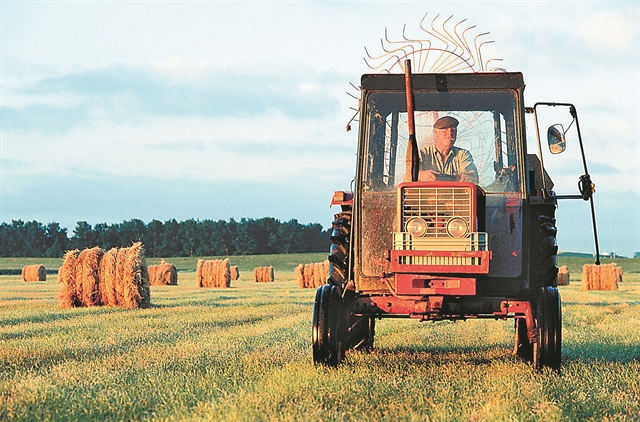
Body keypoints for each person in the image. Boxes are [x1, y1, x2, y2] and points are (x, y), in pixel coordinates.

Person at [417, 116, 479, 184]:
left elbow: (473, 177)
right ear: (435, 132)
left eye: (453, 129)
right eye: (444, 129)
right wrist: (419, 175)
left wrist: (466, 177)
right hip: (428, 194)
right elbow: (408, 176)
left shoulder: (462, 155)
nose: (450, 133)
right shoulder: (421, 154)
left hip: (456, 194)